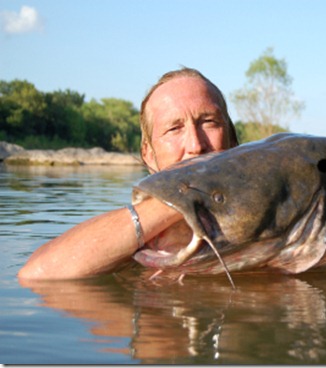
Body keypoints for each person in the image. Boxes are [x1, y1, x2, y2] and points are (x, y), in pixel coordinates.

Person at [18, 67, 239, 280]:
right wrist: (182, 196)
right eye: (174, 128)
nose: (195, 144)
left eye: (209, 122)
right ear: (148, 155)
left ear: (233, 141)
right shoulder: (126, 244)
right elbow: (36, 274)